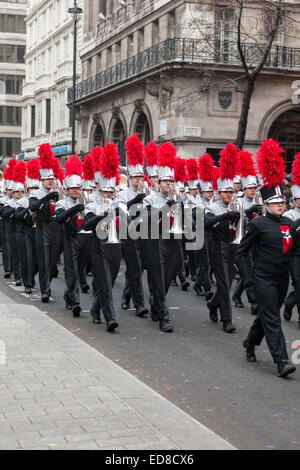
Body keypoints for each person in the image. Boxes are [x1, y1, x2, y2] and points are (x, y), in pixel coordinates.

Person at [239, 139, 296, 378]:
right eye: (275, 203)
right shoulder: (258, 224)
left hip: (281, 277)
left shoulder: (289, 223)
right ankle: (282, 360)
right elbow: (242, 252)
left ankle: (250, 342)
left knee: (267, 313)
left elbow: (294, 251)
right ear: (266, 204)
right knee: (273, 317)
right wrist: (248, 278)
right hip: (262, 276)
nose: (280, 205)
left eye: (282, 202)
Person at [83, 142, 121, 332]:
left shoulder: (119, 205)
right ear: (99, 191)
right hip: (98, 249)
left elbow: (131, 226)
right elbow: (85, 225)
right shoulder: (92, 206)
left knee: (110, 283)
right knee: (105, 285)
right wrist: (101, 215)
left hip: (115, 248)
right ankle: (110, 319)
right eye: (105, 191)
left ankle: (95, 308)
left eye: (111, 191)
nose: (108, 194)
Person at [204, 143, 240, 333]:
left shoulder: (237, 205)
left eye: (231, 192)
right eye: (225, 192)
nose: (228, 195)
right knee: (224, 284)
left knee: (228, 283)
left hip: (233, 247)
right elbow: (206, 223)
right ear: (219, 193)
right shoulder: (213, 207)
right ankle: (227, 320)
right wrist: (224, 216)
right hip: (217, 248)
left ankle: (213, 303)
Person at [116, 134, 148, 317]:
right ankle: (140, 304)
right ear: (130, 178)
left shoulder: (148, 192)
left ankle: (127, 295)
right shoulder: (124, 193)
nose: (138, 180)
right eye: (135, 177)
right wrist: (135, 200)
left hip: (144, 234)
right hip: (129, 234)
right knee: (134, 268)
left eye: (140, 177)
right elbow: (120, 210)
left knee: (138, 269)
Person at [54, 155, 87, 317]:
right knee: (71, 271)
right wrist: (72, 210)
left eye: (77, 188)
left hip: (84, 240)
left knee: (79, 271)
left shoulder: (84, 202)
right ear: (66, 190)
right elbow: (59, 219)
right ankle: (75, 302)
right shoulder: (61, 204)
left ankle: (68, 294)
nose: (75, 190)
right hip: (69, 240)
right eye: (72, 188)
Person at [28, 143, 60, 302]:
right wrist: (46, 197)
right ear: (42, 180)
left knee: (53, 263)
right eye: (47, 179)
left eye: (51, 179)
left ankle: (46, 282)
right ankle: (45, 290)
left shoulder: (58, 191)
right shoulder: (35, 192)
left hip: (55, 228)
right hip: (41, 228)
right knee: (44, 260)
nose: (50, 181)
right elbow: (32, 207)